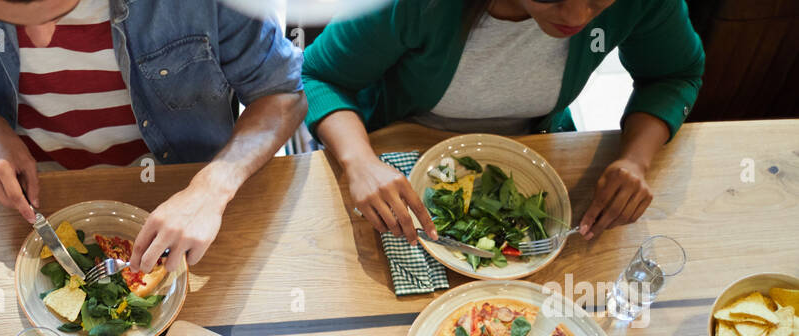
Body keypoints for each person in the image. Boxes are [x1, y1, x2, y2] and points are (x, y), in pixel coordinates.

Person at [0, 0, 306, 276]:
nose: (43, 40)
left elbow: (283, 95)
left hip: (175, 196)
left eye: (57, 15)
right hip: (8, 202)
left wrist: (211, 189)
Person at [301, 0, 705, 243]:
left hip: (538, 149)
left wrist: (636, 159)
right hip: (402, 149)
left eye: (599, 1)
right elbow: (318, 76)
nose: (577, 16)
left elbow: (673, 74)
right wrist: (359, 162)